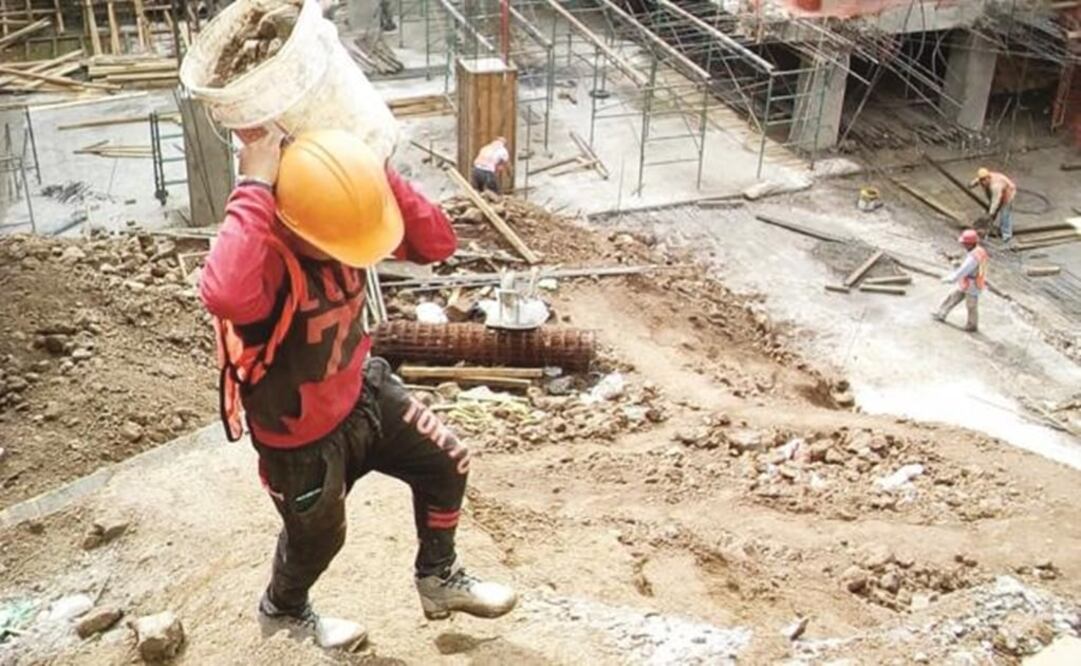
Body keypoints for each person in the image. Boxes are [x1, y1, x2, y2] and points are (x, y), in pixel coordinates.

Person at [200, 129, 516, 651]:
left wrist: (374, 174)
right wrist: (255, 185)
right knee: (318, 538)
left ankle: (438, 577)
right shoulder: (271, 256)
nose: (350, 248)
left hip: (363, 392)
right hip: (299, 441)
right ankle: (284, 610)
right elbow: (224, 292)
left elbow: (438, 242)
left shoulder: (343, 223)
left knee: (447, 462)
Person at [933, 229, 989, 333]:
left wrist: (950, 279)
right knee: (953, 297)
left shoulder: (973, 257)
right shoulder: (979, 251)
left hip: (973, 283)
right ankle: (941, 314)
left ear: (969, 244)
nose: (963, 245)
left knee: (971, 305)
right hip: (969, 281)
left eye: (965, 243)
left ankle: (972, 325)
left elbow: (964, 270)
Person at [970, 167, 1016, 242]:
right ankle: (989, 228)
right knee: (991, 212)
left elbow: (995, 201)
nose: (983, 183)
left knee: (1005, 214)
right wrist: (971, 185)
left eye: (984, 180)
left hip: (1008, 193)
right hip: (996, 194)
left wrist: (991, 213)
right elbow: (977, 180)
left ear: (988, 178)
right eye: (981, 181)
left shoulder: (996, 186)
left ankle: (1006, 235)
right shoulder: (983, 178)